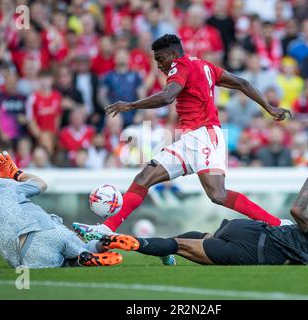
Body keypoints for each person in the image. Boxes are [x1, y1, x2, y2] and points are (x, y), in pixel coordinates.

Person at [73, 34, 292, 239]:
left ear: (174, 55)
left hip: (205, 135)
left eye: (160, 59)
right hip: (189, 139)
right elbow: (242, 83)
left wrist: (130, 105)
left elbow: (168, 97)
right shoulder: (204, 65)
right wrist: (269, 108)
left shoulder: (180, 65)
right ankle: (105, 229)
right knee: (143, 178)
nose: (159, 65)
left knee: (217, 194)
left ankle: (278, 225)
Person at [96, 150, 308, 266]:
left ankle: (144, 245)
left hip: (250, 234)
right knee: (181, 244)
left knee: (190, 240)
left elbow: (297, 210)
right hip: (254, 249)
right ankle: (130, 242)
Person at [0, 151, 122, 268]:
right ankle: (102, 242)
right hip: (50, 231)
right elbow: (42, 184)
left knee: (65, 264)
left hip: (28, 254)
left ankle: (79, 260)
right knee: (80, 246)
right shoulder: (5, 187)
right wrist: (16, 173)